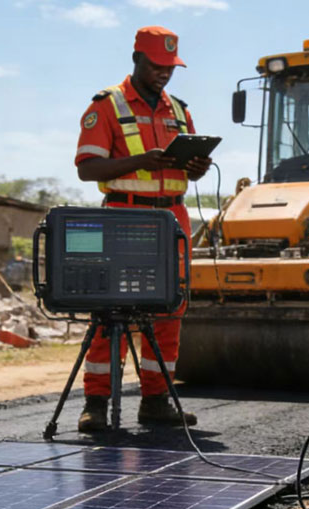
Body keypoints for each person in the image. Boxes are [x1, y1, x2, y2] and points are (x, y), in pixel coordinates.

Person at [73, 25, 211, 431]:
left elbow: (185, 170)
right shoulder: (107, 105)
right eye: (156, 65)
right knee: (110, 312)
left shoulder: (180, 111)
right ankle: (96, 403)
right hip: (123, 219)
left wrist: (197, 168)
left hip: (173, 220)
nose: (164, 73)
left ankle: (156, 400)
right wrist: (139, 162)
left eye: (170, 66)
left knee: (170, 311)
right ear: (136, 59)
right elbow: (86, 168)